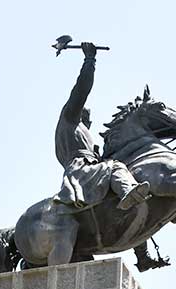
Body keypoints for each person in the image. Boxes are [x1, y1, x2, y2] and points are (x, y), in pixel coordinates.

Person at [55, 42, 150, 213]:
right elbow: (81, 90)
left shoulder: (79, 134)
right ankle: (128, 191)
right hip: (81, 171)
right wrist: (89, 60)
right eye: (86, 117)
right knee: (115, 167)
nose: (89, 123)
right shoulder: (70, 120)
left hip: (88, 170)